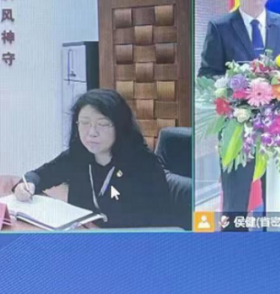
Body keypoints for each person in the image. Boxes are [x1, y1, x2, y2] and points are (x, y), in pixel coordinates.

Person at [198, 0, 280, 221]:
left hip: (278, 130)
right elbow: (207, 75)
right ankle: (235, 242)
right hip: (236, 129)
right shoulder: (220, 27)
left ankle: (276, 243)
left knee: (278, 201)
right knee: (235, 200)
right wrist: (236, 88)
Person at [12, 89, 168, 228]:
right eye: (85, 123)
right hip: (82, 240)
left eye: (102, 124)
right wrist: (26, 185)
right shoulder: (77, 156)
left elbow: (156, 224)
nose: (92, 132)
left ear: (120, 126)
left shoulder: (144, 165)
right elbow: (39, 175)